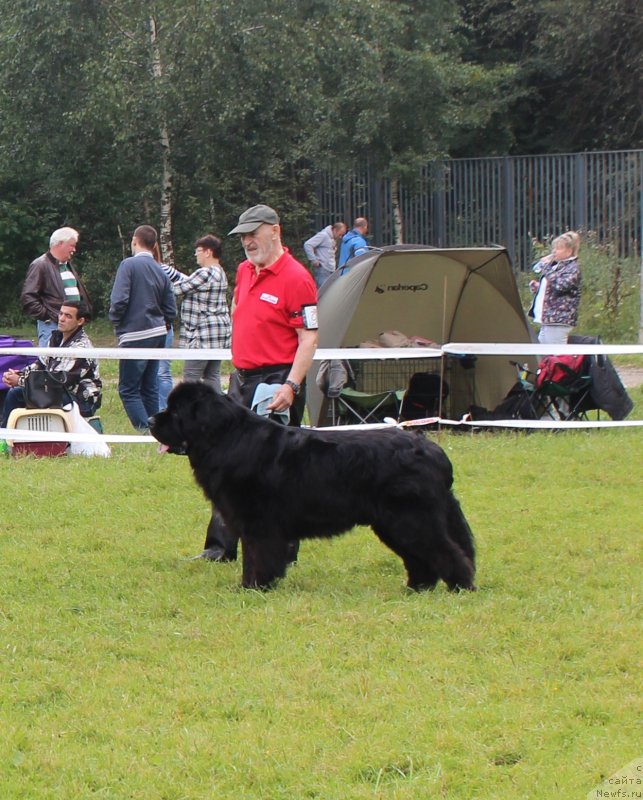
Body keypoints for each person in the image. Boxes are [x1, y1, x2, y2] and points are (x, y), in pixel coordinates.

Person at [195, 203, 318, 561]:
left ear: (275, 230)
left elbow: (309, 338)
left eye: (253, 233)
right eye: (243, 236)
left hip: (277, 380)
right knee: (225, 464)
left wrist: (291, 387)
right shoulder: (245, 271)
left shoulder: (297, 278)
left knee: (275, 472)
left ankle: (281, 549)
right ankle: (219, 548)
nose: (248, 241)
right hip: (242, 378)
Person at [109, 225, 176, 431]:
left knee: (128, 389)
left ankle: (144, 430)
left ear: (134, 241)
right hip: (158, 333)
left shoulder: (127, 265)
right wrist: (163, 324)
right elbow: (171, 309)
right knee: (149, 387)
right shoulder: (160, 269)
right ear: (155, 245)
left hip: (135, 333)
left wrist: (117, 321)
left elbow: (119, 300)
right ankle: (158, 430)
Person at [1, 301, 102, 426]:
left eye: (68, 316)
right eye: (61, 314)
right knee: (14, 393)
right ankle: (6, 438)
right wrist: (19, 373)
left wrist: (21, 380)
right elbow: (41, 364)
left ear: (80, 321)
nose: (62, 319)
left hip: (80, 399)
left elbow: (60, 380)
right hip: (56, 392)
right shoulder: (56, 338)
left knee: (23, 390)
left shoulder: (81, 348)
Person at [171, 234, 231, 393]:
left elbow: (177, 289)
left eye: (198, 250)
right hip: (218, 333)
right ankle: (218, 413)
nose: (195, 254)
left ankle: (189, 414)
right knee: (212, 375)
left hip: (204, 334)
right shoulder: (220, 272)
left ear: (208, 252)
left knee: (191, 376)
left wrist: (162, 279)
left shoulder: (206, 273)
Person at [21, 227, 92, 347]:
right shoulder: (40, 264)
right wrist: (48, 316)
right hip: (52, 326)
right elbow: (28, 296)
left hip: (73, 325)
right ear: (60, 244)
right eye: (72, 245)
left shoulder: (67, 266)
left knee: (72, 361)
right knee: (50, 362)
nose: (74, 250)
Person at [528, 231, 582, 344]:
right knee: (543, 357)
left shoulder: (573, 268)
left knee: (556, 357)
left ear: (568, 251)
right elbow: (552, 285)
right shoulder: (556, 267)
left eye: (558, 249)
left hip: (558, 320)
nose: (554, 252)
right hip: (547, 320)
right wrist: (539, 288)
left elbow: (560, 286)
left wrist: (546, 267)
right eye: (554, 248)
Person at [152, 243, 185, 411]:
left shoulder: (163, 269)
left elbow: (187, 281)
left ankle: (165, 409)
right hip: (149, 328)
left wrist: (169, 291)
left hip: (163, 327)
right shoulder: (138, 270)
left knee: (162, 372)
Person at [304, 220, 347, 289]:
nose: (340, 237)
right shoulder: (323, 235)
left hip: (330, 269)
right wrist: (314, 260)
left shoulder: (332, 238)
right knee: (322, 292)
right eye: (340, 234)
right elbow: (308, 244)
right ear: (335, 230)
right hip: (322, 269)